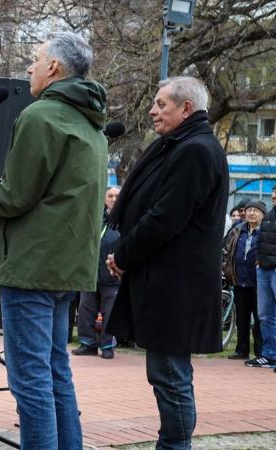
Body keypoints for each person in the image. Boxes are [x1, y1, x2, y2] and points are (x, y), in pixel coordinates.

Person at [0, 32, 108, 449]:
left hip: (31, 267)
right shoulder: (91, 122)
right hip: (66, 267)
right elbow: (47, 195)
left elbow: (16, 199)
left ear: (54, 67)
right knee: (55, 373)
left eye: (35, 59)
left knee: (30, 381)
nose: (29, 68)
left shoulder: (41, 115)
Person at [106, 76, 228, 449]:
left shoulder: (195, 150)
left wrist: (123, 256)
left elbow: (164, 218)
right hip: (169, 283)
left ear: (185, 108)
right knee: (167, 375)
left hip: (177, 288)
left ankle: (174, 445)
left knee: (171, 377)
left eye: (161, 104)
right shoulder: (181, 145)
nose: (152, 111)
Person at [73, 186, 121, 359]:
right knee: (85, 310)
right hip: (91, 276)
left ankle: (107, 346)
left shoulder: (125, 219)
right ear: (104, 199)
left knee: (110, 312)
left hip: (112, 277)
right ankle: (87, 344)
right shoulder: (96, 219)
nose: (113, 199)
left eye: (117, 196)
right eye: (110, 196)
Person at [223, 200, 264, 361]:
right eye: (249, 210)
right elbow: (226, 248)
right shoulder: (237, 229)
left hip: (258, 282)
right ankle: (241, 350)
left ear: (263, 214)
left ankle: (260, 351)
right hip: (239, 280)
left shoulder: (265, 231)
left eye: (255, 210)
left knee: (259, 318)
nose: (251, 213)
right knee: (242, 317)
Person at [253, 185, 276, 370]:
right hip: (264, 269)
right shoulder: (268, 216)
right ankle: (269, 355)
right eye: (273, 192)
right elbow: (260, 240)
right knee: (265, 314)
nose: (273, 195)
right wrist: (258, 261)